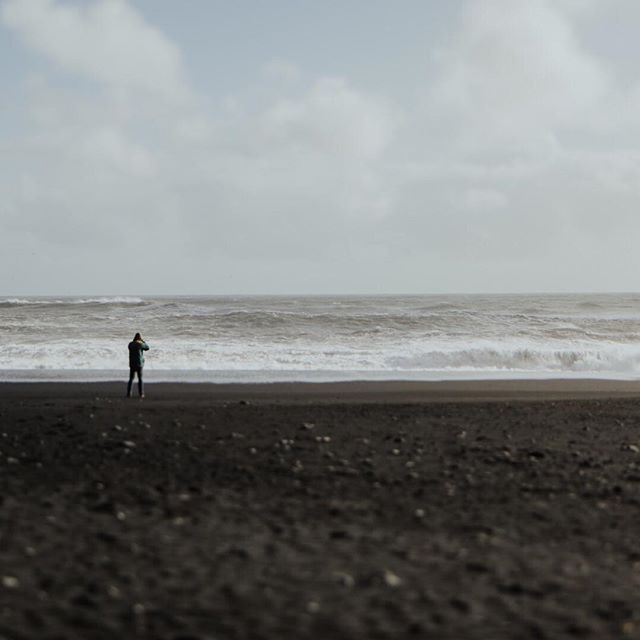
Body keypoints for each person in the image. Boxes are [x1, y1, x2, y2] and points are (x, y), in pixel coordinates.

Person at [127, 333, 149, 398]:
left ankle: (129, 393)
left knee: (131, 379)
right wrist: (143, 341)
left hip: (132, 364)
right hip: (139, 364)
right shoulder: (140, 344)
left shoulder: (130, 344)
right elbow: (147, 347)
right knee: (140, 379)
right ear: (139, 338)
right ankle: (141, 394)